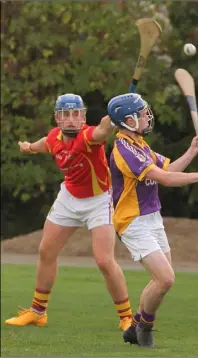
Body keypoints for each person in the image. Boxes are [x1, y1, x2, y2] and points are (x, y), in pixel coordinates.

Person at [5, 93, 132, 331]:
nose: (71, 119)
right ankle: (37, 312)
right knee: (46, 250)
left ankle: (127, 317)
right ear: (57, 118)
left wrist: (113, 118)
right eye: (65, 115)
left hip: (98, 200)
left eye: (76, 114)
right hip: (69, 198)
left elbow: (102, 131)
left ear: (83, 116)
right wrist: (29, 148)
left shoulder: (88, 136)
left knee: (104, 260)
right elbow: (46, 143)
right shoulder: (55, 137)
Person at [107, 93, 198, 347]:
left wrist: (192, 150)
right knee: (165, 278)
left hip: (152, 217)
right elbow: (165, 180)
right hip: (132, 221)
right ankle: (144, 328)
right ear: (129, 120)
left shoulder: (140, 145)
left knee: (162, 280)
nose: (148, 116)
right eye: (143, 113)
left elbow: (168, 169)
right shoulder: (124, 150)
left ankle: (135, 327)